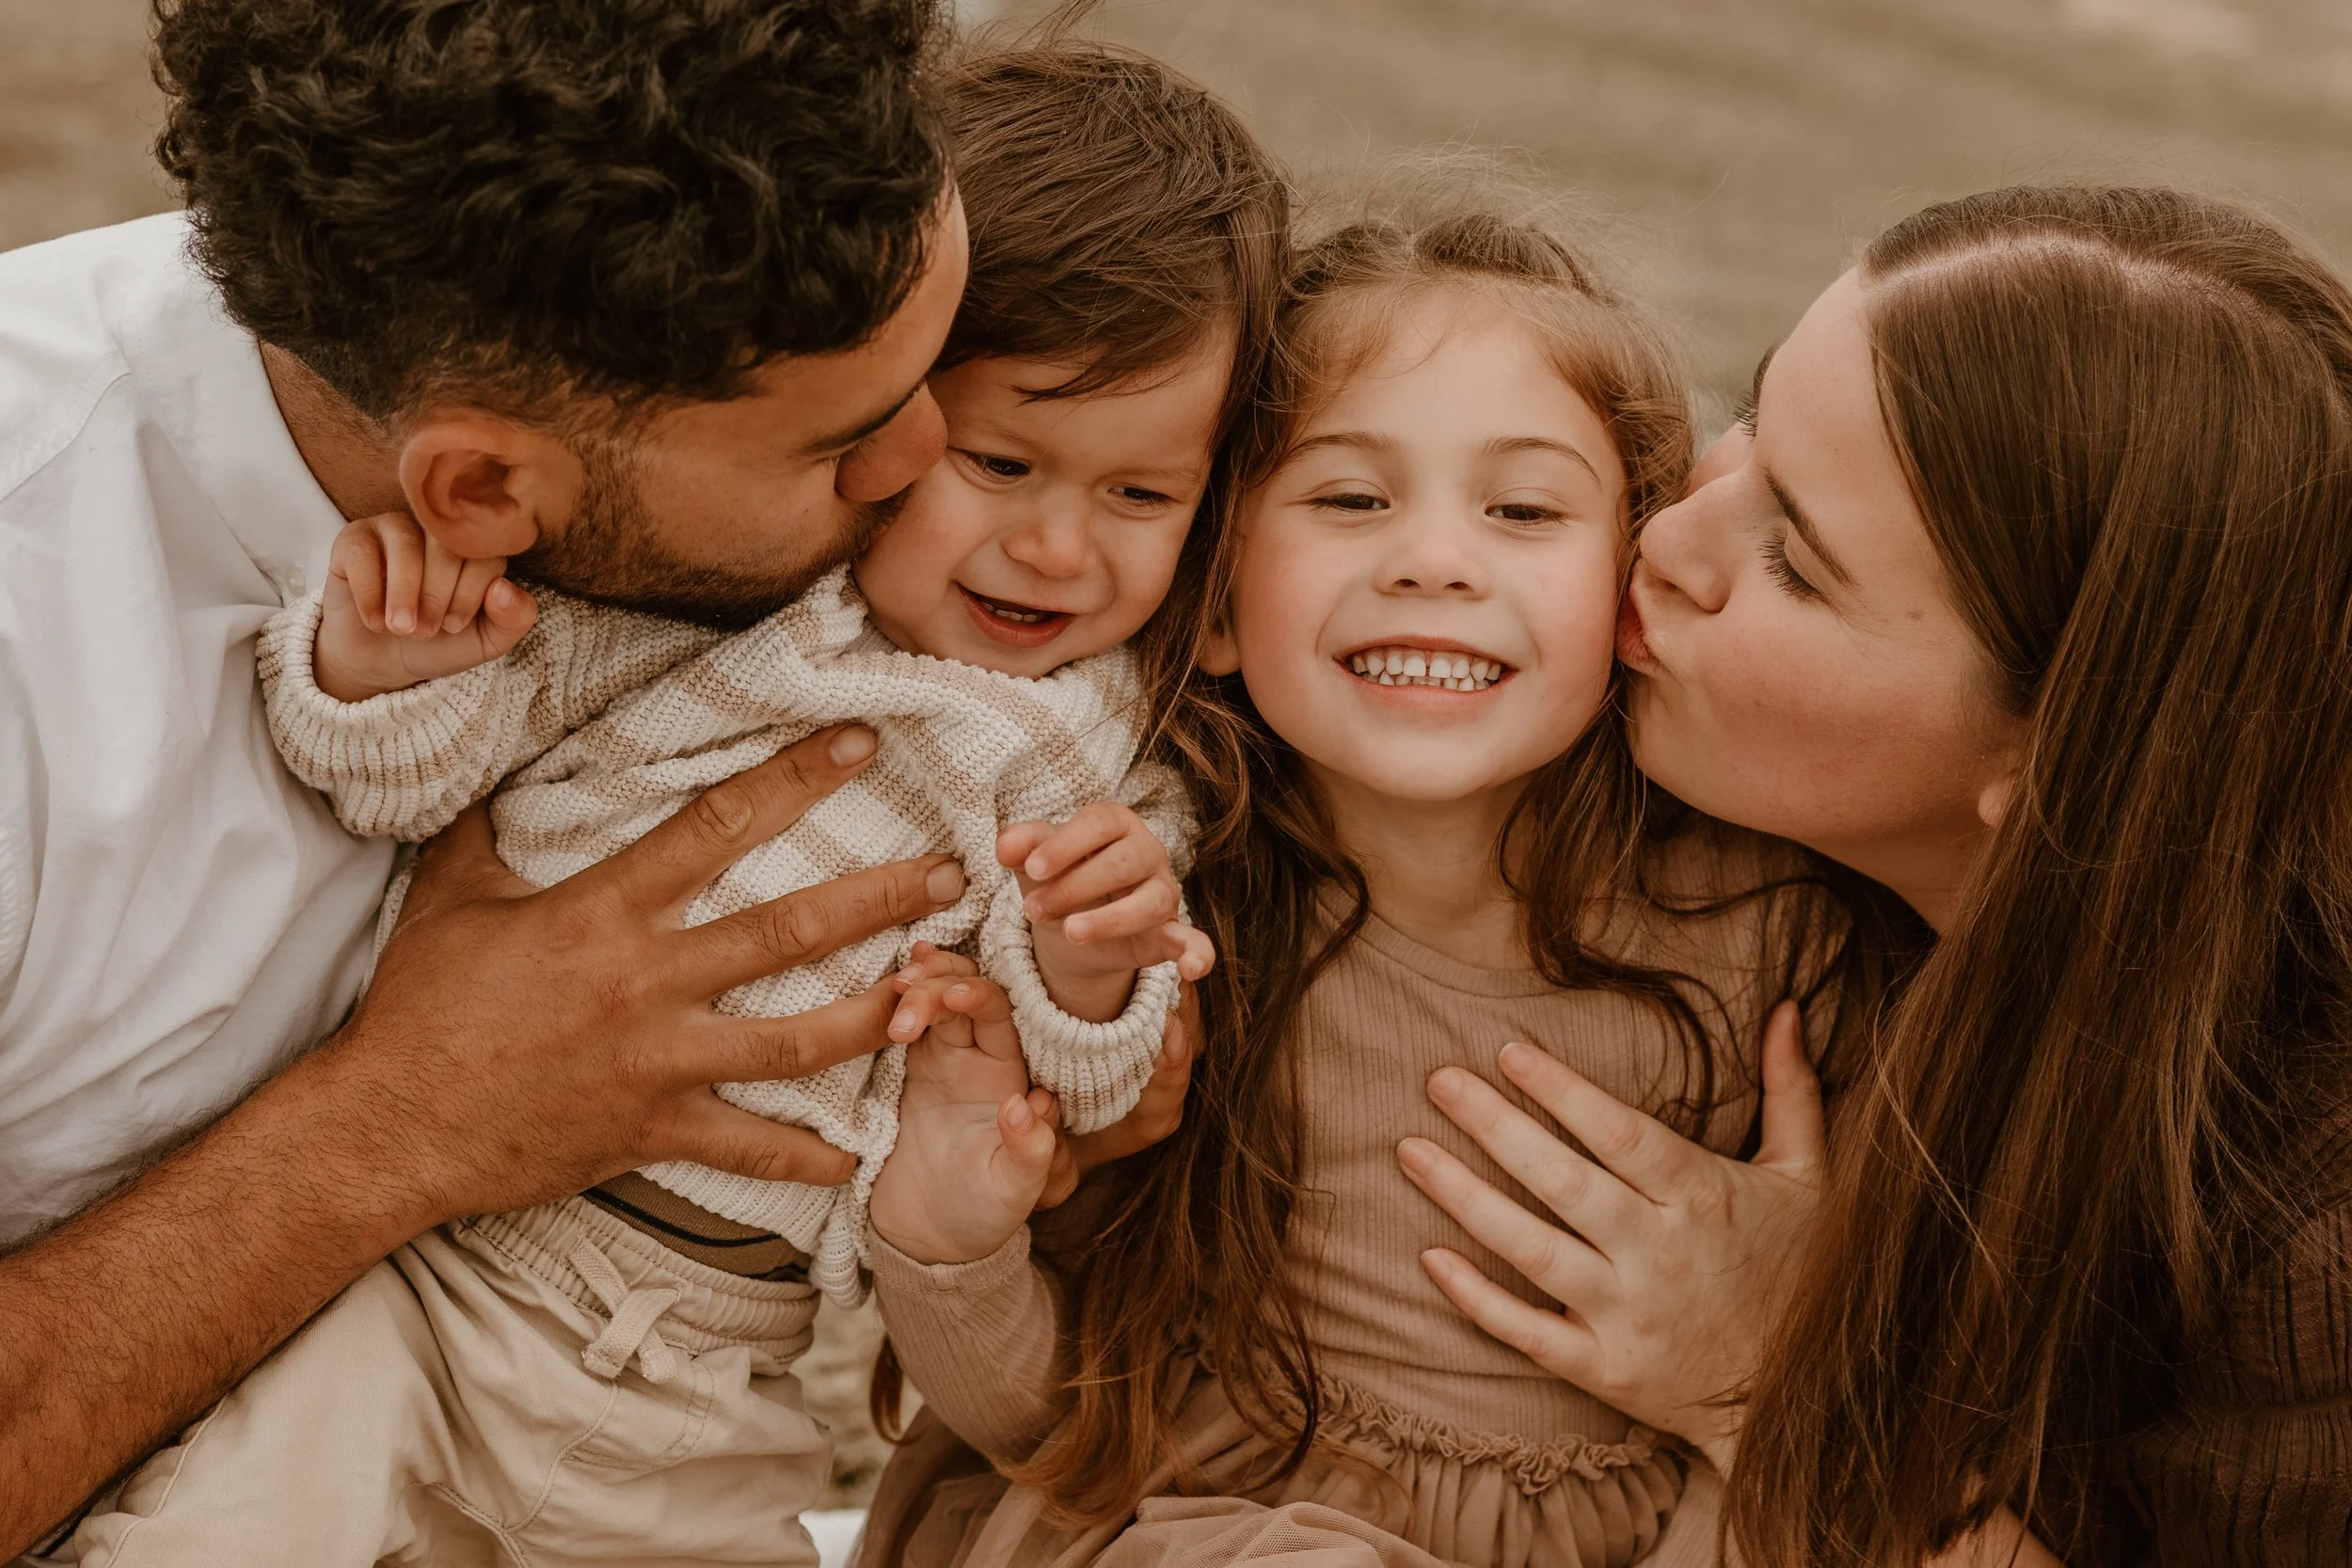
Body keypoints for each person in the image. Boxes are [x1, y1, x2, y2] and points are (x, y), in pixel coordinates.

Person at [66, 39, 1284, 1567]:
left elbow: (1083, 1092)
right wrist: (381, 664)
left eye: (1138, 495)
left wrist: (1094, 971)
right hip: (428, 1294)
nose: (1055, 546)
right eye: (998, 459)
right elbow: (416, 775)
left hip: (719, 1368)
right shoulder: (728, 619)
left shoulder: (1114, 781)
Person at [850, 206, 1850, 1567]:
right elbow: (1045, 1432)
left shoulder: (1763, 926)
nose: (1436, 558)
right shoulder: (1146, 930)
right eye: (1350, 498)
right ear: (1212, 599)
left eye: (1523, 509)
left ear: (1633, 584)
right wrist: (948, 1238)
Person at [1406, 184, 2352, 1566]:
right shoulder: (1722, 797)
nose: (1669, 536)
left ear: (2048, 764)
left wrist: (1768, 1379)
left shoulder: (2310, 1237)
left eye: (1794, 559)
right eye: (1747, 412)